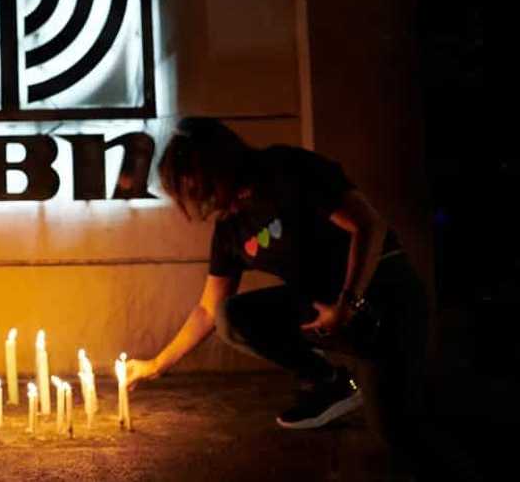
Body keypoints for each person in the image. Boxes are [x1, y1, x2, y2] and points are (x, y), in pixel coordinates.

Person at [125, 118, 470, 480]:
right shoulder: (231, 226)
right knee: (232, 316)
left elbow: (368, 225)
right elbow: (207, 310)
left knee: (399, 430)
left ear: (218, 166)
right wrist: (156, 365)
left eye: (199, 188)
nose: (202, 202)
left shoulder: (285, 170)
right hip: (327, 312)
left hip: (384, 299)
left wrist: (348, 303)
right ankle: (330, 381)